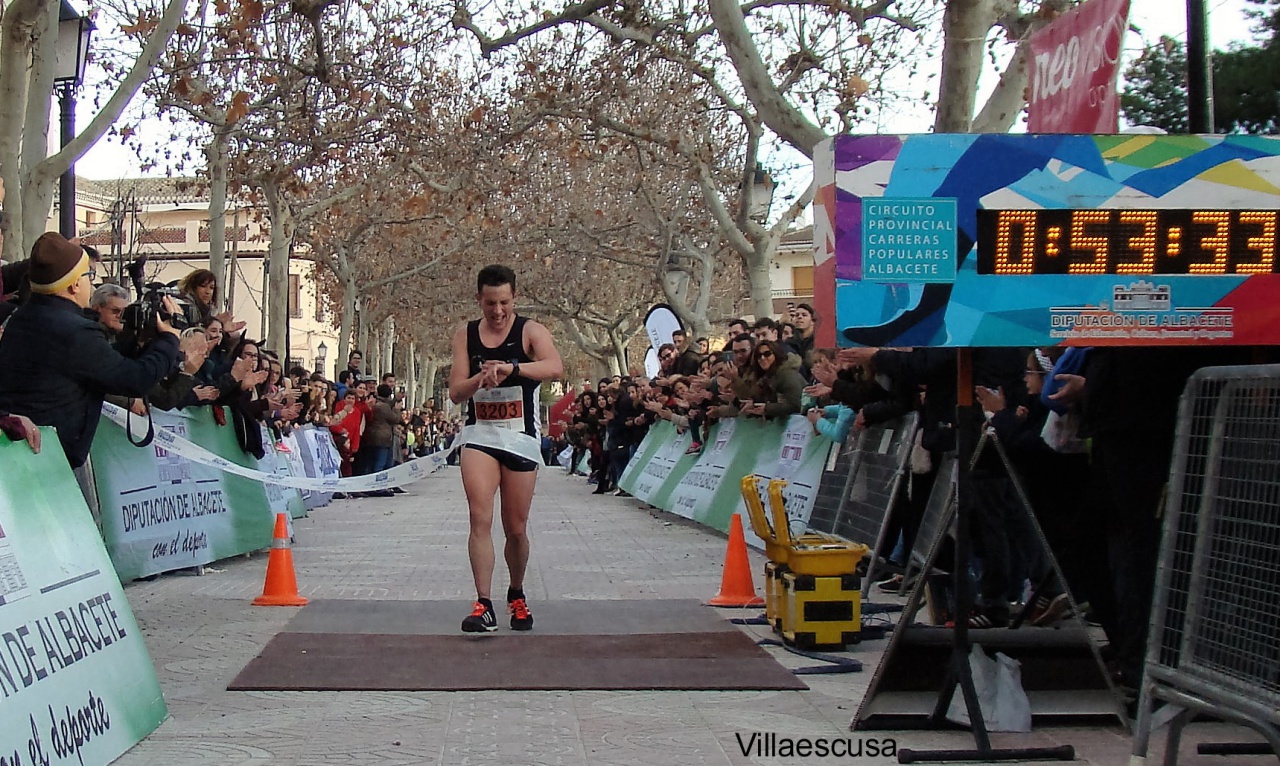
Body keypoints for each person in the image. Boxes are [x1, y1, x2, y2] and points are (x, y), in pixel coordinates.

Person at [0, 233, 180, 469]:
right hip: (48, 457)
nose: (92, 284)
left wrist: (136, 342)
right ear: (75, 284)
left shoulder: (23, 317)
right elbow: (133, 380)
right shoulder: (74, 331)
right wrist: (169, 340)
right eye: (89, 275)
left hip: (20, 450)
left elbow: (94, 365)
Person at [449, 264, 563, 633]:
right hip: (480, 435)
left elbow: (555, 367)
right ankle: (483, 603)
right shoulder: (466, 336)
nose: (497, 312)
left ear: (515, 298)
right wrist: (480, 379)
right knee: (479, 518)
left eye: (504, 304)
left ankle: (516, 593)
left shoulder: (530, 330)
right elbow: (455, 393)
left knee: (515, 527)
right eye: (490, 304)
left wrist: (513, 369)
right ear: (478, 300)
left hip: (520, 437)